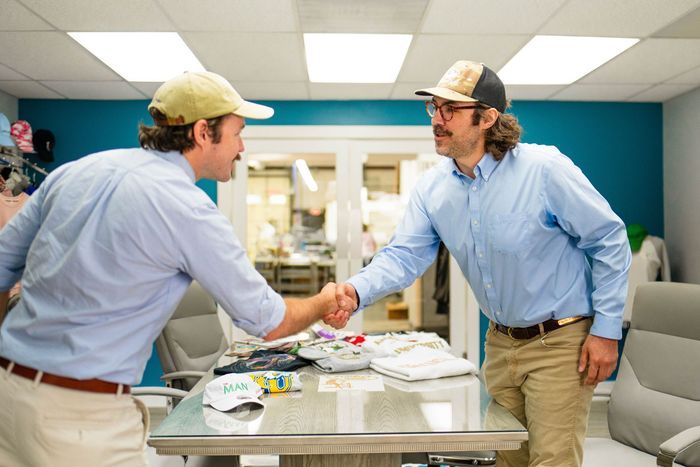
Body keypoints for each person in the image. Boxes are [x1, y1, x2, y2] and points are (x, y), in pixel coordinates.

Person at [0, 71, 354, 467]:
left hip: (7, 395)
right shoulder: (186, 206)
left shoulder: (75, 172)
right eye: (238, 132)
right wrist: (324, 301)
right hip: (79, 420)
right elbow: (267, 320)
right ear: (203, 132)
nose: (241, 147)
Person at [329, 60, 631, 467]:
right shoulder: (433, 188)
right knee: (508, 458)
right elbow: (404, 255)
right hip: (501, 344)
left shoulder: (544, 169)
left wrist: (607, 331)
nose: (437, 119)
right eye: (434, 108)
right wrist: (356, 290)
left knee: (552, 460)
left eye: (450, 109)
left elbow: (608, 240)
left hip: (560, 342)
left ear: (488, 117)